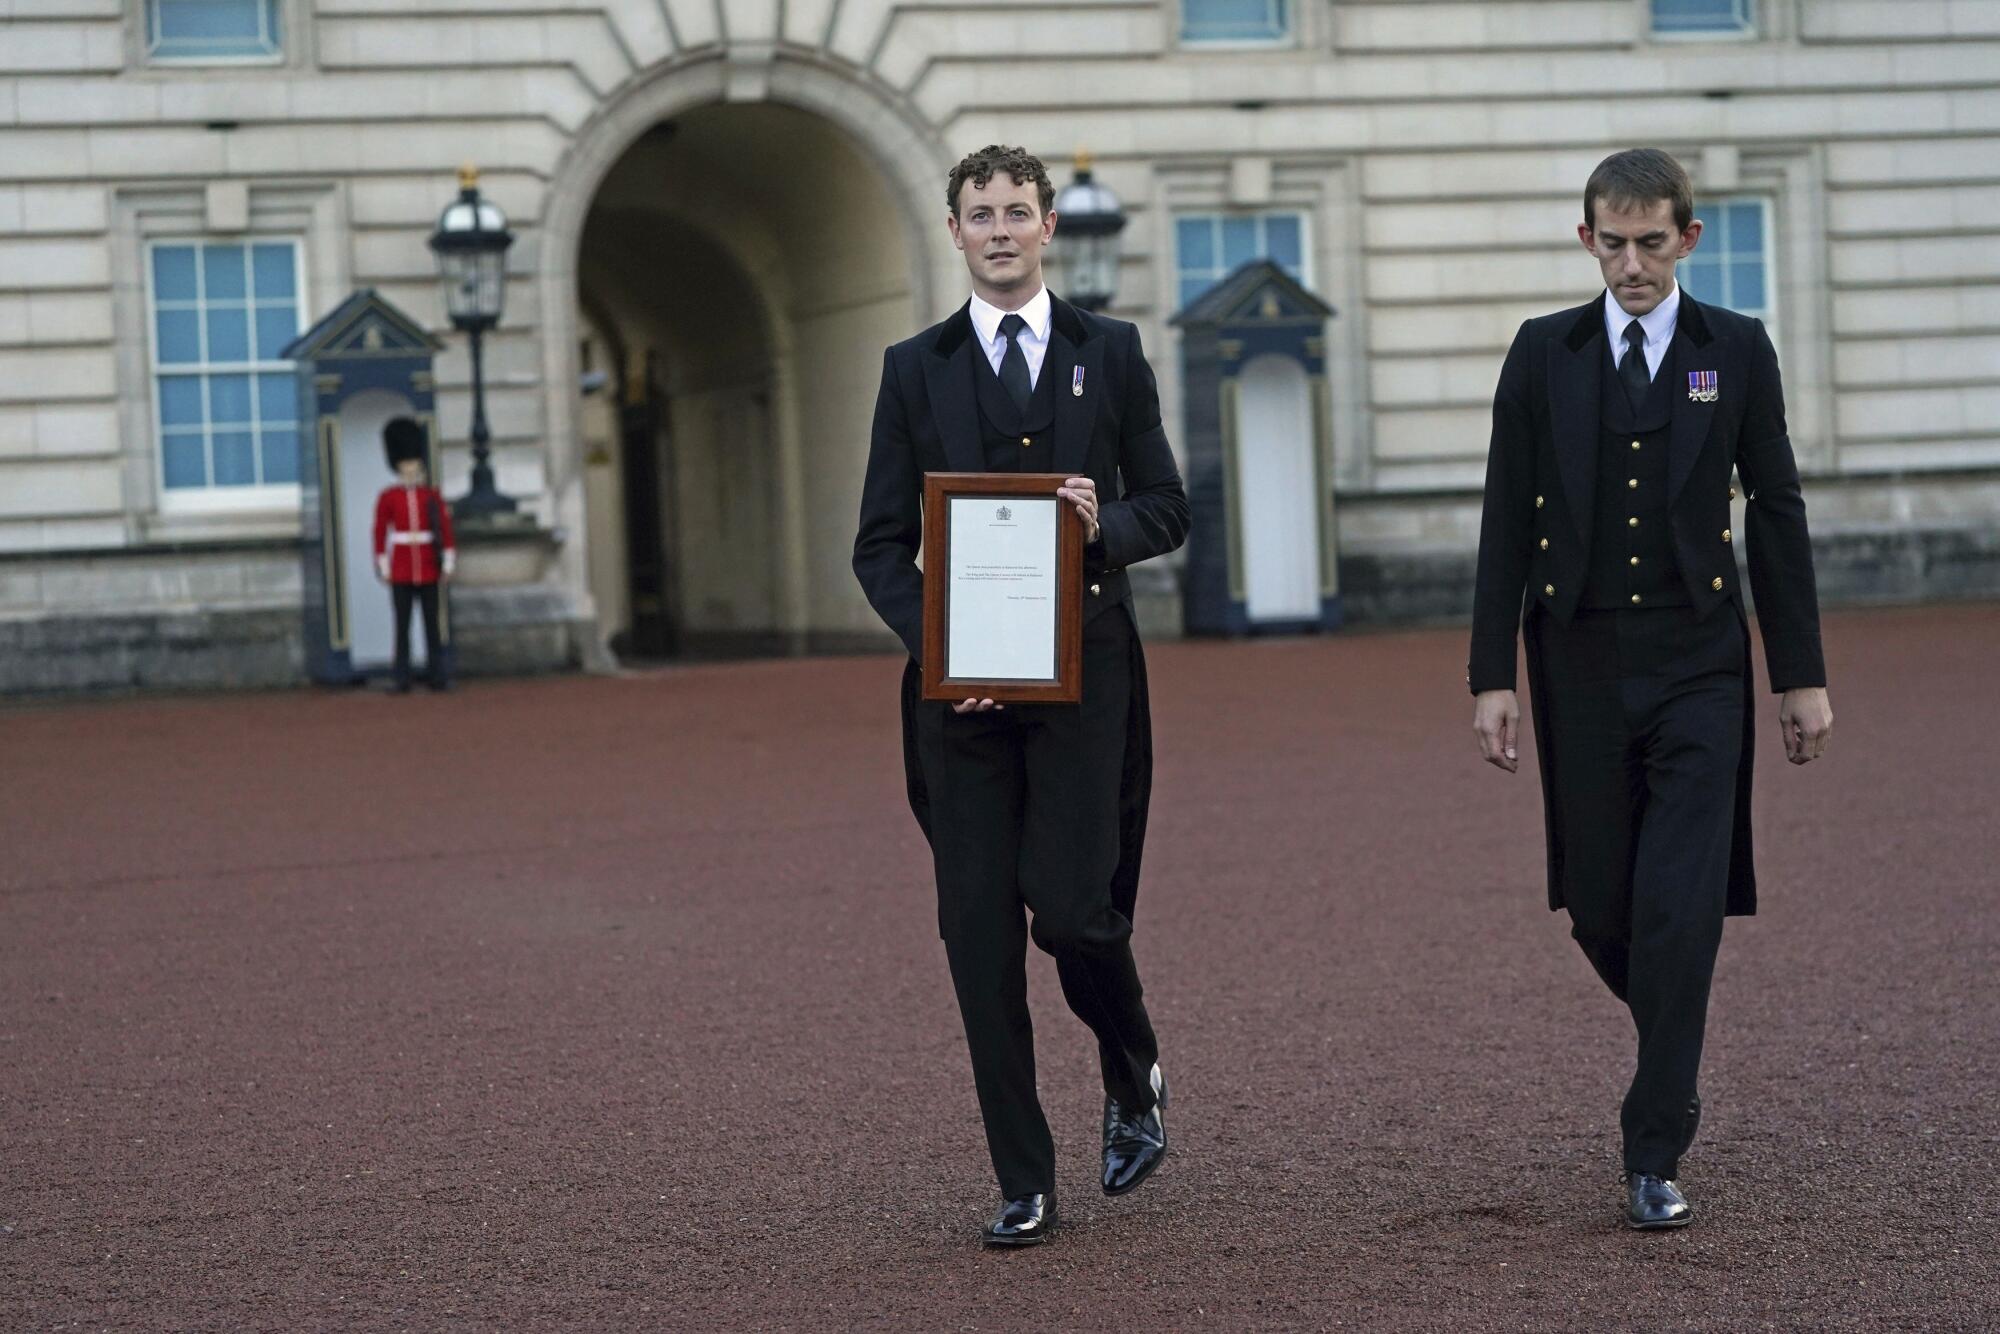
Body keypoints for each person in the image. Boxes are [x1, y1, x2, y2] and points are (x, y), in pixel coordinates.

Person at [1468, 147, 1835, 1230]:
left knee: (1680, 905)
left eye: (1649, 241)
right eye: (1610, 243)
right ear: (1585, 240)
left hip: (1698, 661)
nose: (1630, 263)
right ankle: (1672, 1035)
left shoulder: (1738, 349)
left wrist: (1798, 675)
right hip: (1573, 658)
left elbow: (1774, 508)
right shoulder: (1542, 354)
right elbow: (1501, 518)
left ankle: (1652, 1135)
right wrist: (1490, 673)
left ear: (1688, 237)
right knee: (1599, 906)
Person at [852, 145, 1191, 1246]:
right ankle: (1021, 1174)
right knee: (977, 933)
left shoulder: (1113, 352)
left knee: (1073, 911)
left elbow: (1169, 506)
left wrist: (1107, 525)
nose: (998, 229)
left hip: (1086, 681)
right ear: (953, 232)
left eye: (1016, 211)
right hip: (959, 707)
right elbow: (878, 546)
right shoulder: (913, 367)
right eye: (978, 213)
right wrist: (943, 650)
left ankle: (1131, 1062)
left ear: (1046, 226)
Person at [372, 417, 456, 693]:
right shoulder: (389, 497)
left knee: (432, 625)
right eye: (406, 465)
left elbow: (444, 528)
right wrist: (383, 565)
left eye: (413, 464)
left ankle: (437, 674)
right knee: (403, 625)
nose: (410, 469)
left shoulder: (431, 496)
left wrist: (448, 560)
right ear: (398, 466)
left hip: (429, 566)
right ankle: (402, 677)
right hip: (402, 567)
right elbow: (380, 531)